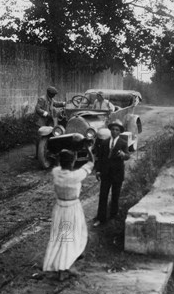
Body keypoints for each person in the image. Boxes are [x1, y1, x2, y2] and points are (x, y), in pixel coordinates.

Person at [43, 147, 95, 281]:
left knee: (61, 238)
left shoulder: (55, 172)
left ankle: (62, 266)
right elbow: (91, 162)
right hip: (71, 210)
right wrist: (89, 149)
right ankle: (65, 268)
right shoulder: (75, 175)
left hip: (59, 208)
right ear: (72, 162)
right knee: (71, 238)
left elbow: (57, 165)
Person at [93, 119, 129, 227]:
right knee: (103, 196)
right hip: (106, 174)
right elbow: (100, 158)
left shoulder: (123, 143)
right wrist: (98, 171)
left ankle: (113, 218)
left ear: (120, 132)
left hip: (117, 174)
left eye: (117, 130)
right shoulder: (104, 142)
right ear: (110, 131)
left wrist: (123, 155)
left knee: (115, 196)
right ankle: (101, 218)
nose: (114, 132)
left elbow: (128, 155)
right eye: (113, 129)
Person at [34, 86, 66, 158]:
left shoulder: (51, 99)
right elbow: (38, 109)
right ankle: (37, 155)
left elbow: (56, 103)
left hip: (48, 120)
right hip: (40, 120)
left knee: (48, 135)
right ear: (49, 93)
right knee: (40, 138)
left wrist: (64, 103)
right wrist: (46, 114)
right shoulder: (42, 99)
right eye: (53, 94)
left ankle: (45, 152)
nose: (54, 95)